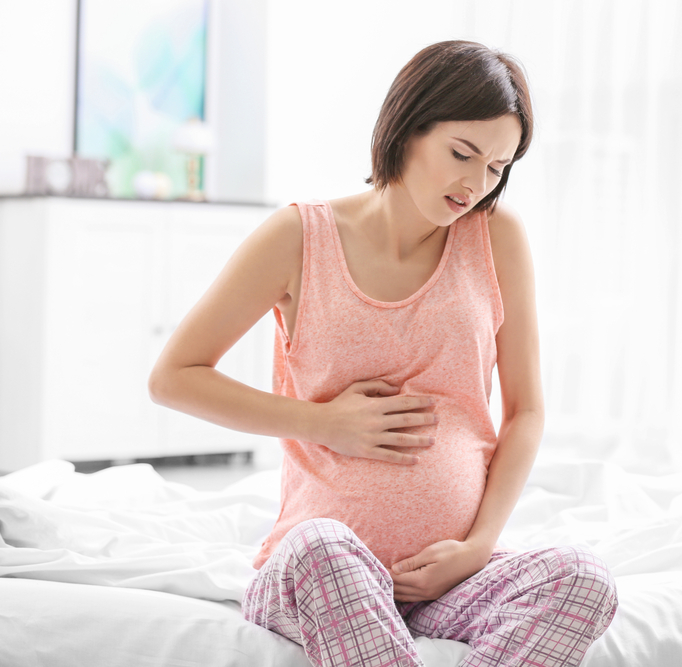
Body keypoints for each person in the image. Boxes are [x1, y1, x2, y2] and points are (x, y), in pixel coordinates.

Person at [148, 40, 617, 667]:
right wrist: (322, 423)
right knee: (322, 547)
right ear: (406, 127)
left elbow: (526, 411)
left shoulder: (497, 238)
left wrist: (479, 546)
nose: (475, 184)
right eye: (462, 153)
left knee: (582, 579)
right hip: (321, 578)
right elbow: (174, 377)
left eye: (497, 167)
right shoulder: (299, 237)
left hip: (446, 585)